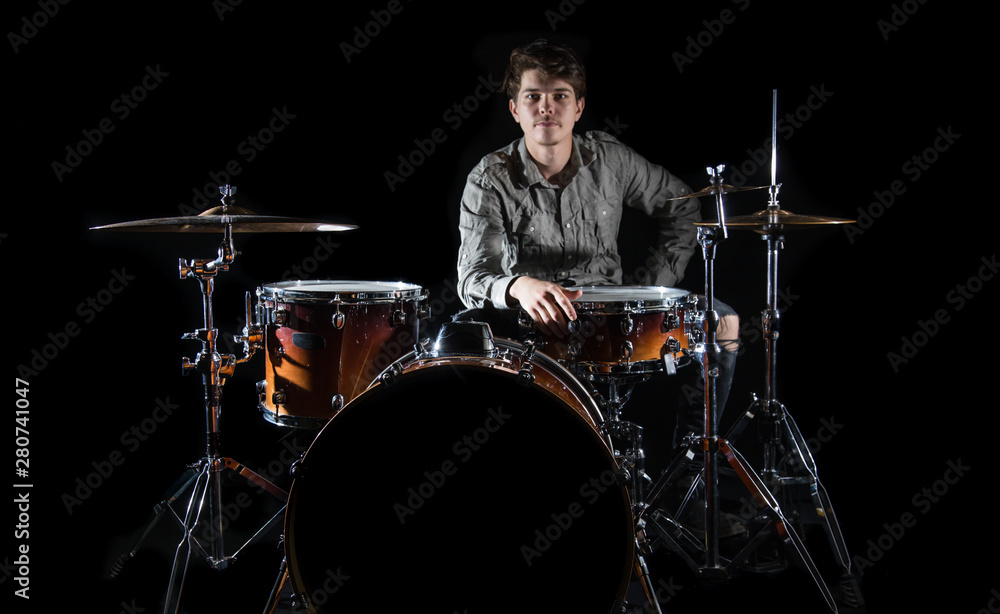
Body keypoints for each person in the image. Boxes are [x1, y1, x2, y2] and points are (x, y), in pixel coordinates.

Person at [454, 39, 740, 500]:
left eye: (559, 95)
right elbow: (472, 278)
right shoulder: (489, 178)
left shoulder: (610, 159)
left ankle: (688, 486)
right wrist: (518, 285)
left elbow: (683, 207)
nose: (546, 107)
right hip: (532, 321)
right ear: (515, 109)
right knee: (461, 333)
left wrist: (650, 291)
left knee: (723, 322)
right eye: (533, 96)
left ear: (579, 107)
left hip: (609, 315)